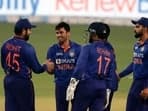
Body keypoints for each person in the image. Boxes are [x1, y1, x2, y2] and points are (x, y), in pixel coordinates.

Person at [1, 18, 51, 111]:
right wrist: (45, 65)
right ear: (23, 31)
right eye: (29, 30)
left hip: (8, 81)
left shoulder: (5, 44)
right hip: (23, 83)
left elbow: (3, 65)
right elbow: (37, 69)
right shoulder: (27, 48)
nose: (30, 32)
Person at [66, 22, 118, 111]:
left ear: (95, 35)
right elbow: (112, 74)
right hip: (102, 88)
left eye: (90, 33)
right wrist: (109, 91)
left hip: (87, 85)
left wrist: (72, 84)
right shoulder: (110, 52)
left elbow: (80, 67)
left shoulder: (88, 48)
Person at [46, 21, 81, 111]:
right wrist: (49, 69)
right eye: (57, 33)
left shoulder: (78, 49)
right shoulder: (52, 49)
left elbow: (82, 68)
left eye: (61, 32)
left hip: (75, 86)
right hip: (60, 85)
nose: (59, 35)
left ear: (68, 33)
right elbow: (50, 71)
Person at [118, 17, 148, 111]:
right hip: (136, 83)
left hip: (145, 83)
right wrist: (120, 75)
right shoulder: (137, 45)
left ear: (145, 28)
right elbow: (134, 63)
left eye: (137, 27)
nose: (134, 29)